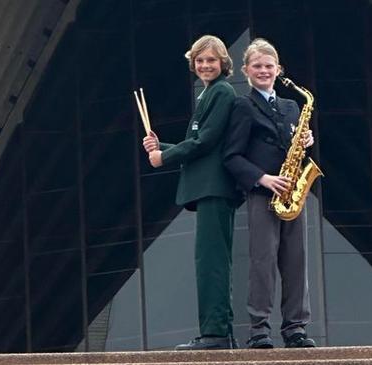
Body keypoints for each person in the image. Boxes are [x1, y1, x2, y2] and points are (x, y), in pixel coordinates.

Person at [143, 35, 239, 351]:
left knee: (211, 261)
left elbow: (206, 142)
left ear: (223, 62)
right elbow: (203, 145)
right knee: (210, 260)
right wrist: (162, 148)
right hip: (211, 186)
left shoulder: (222, 91)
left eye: (211, 60)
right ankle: (218, 331)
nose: (205, 65)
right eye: (199, 60)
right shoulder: (210, 93)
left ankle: (216, 334)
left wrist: (164, 157)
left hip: (215, 187)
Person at [223, 38, 316, 349]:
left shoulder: (292, 107)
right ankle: (259, 329)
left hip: (292, 192)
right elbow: (232, 156)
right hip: (264, 194)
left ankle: (296, 328)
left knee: (296, 261)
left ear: (279, 69)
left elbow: (294, 149)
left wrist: (306, 141)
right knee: (262, 262)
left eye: (269, 66)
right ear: (247, 70)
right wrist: (262, 179)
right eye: (258, 66)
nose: (264, 70)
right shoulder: (242, 105)